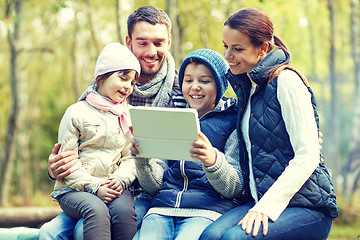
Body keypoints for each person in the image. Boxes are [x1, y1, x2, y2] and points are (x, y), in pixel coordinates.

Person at [38, 6, 180, 240]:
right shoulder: (103, 87)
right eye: (142, 42)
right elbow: (82, 144)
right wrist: (55, 169)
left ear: (169, 42)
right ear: (129, 41)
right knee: (49, 233)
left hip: (145, 194)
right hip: (91, 188)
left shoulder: (181, 90)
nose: (151, 51)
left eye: (158, 42)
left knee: (86, 230)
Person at [198, 7, 338, 240]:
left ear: (262, 49)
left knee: (233, 239)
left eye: (237, 49)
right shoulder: (248, 88)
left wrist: (265, 208)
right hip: (261, 200)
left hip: (306, 207)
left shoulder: (286, 81)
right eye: (225, 46)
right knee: (210, 236)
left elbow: (308, 156)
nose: (228, 56)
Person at [131, 49, 244, 240]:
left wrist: (213, 161)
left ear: (219, 85)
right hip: (162, 208)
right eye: (188, 80)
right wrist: (143, 159)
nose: (195, 87)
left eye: (205, 81)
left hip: (207, 209)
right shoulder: (171, 115)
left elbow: (234, 187)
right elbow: (154, 186)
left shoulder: (233, 121)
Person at [43, 43, 140, 240]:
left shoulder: (128, 115)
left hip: (113, 186)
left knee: (124, 211)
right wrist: (95, 186)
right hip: (75, 189)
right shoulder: (76, 112)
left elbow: (130, 158)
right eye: (123, 78)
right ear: (102, 76)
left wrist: (119, 180)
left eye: (132, 82)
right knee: (95, 209)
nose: (128, 87)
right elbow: (67, 163)